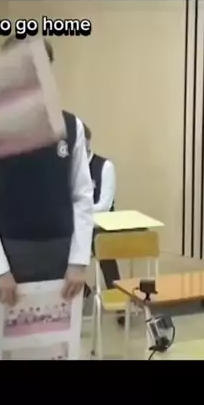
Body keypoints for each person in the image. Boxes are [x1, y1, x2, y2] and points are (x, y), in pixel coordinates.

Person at [0, 36, 94, 359]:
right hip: (12, 255)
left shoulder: (72, 126)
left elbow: (82, 195)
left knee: (57, 346)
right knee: (11, 346)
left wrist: (78, 261)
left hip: (61, 254)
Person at [83, 124, 123, 325]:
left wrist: (80, 212)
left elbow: (104, 206)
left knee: (104, 251)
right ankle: (81, 289)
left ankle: (118, 300)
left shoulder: (105, 167)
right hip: (78, 226)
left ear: (88, 142)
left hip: (100, 226)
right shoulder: (68, 169)